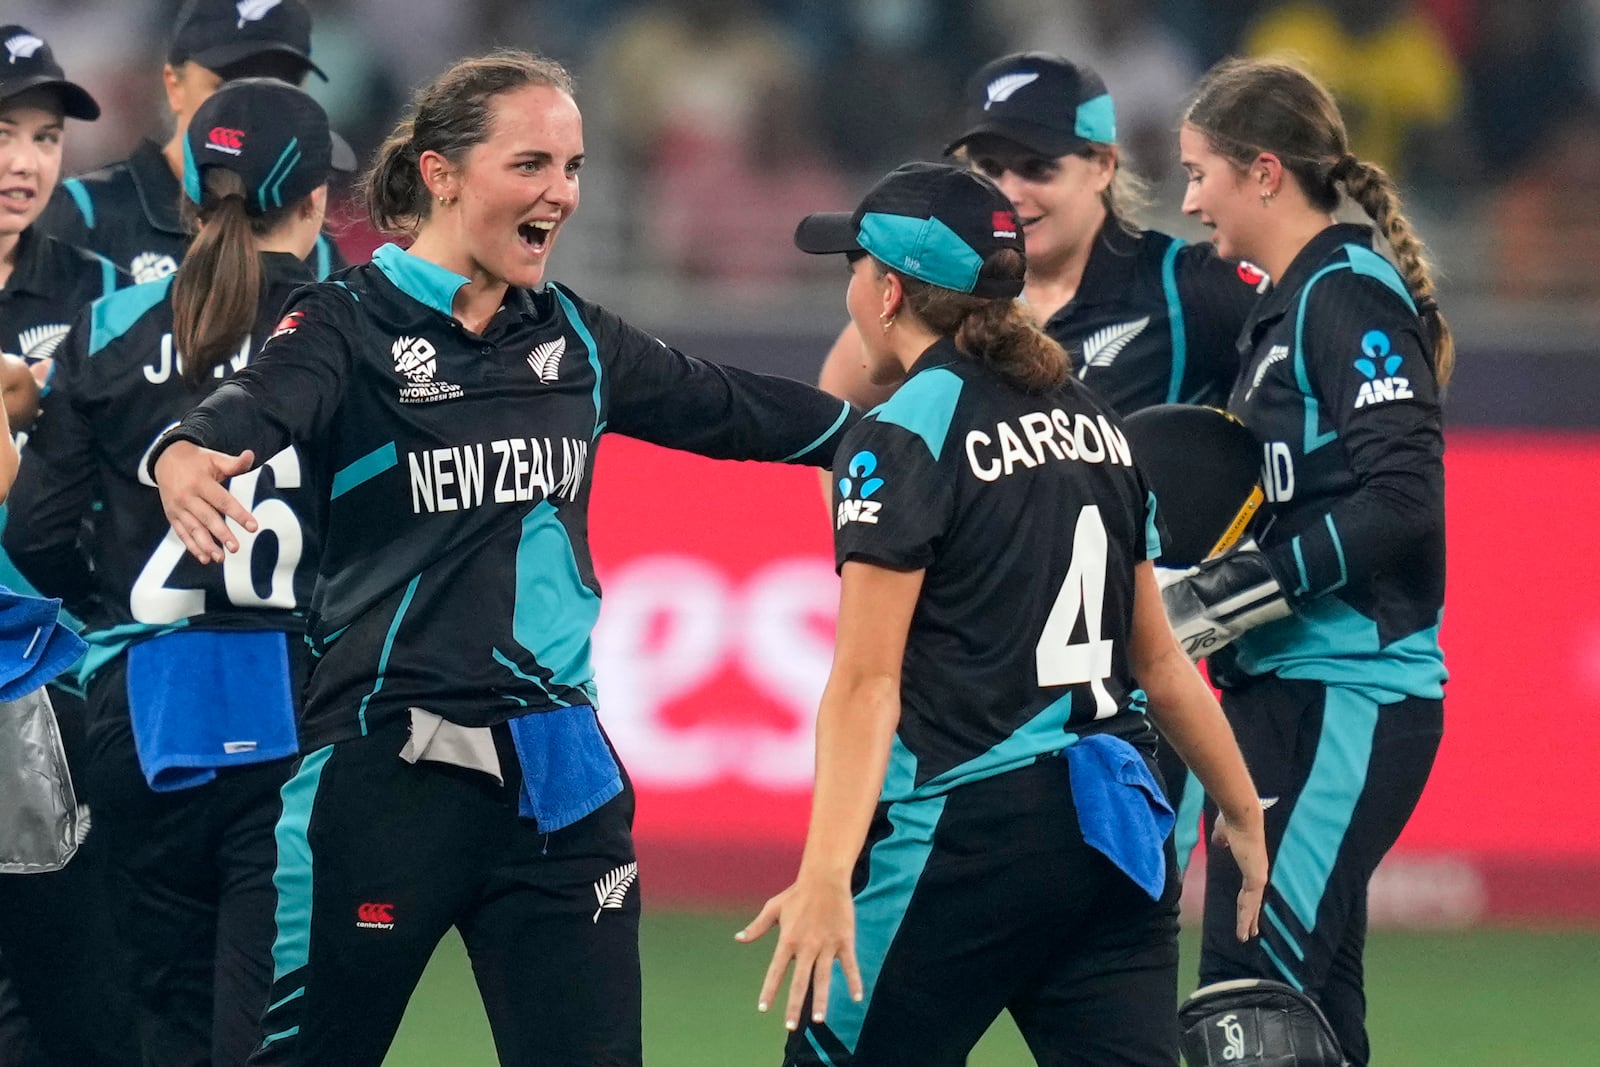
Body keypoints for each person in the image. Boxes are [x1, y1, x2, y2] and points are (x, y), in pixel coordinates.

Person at [146, 50, 857, 1067]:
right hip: (386, 772)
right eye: (531, 164)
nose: (560, 193)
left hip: (561, 779)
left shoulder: (574, 335)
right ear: (439, 173)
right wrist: (184, 451)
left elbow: (742, 409)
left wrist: (907, 432)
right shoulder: (348, 321)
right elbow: (257, 402)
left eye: (571, 168)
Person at [737, 161, 1268, 1067]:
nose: (851, 290)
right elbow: (1161, 659)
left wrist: (825, 874)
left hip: (967, 835)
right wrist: (1241, 807)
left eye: (854, 270)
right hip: (1117, 833)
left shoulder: (901, 433)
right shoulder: (1094, 418)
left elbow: (867, 685)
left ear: (891, 291)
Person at [816, 52, 1265, 873]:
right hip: (976, 692)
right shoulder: (956, 285)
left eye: (1037, 166)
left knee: (1103, 937)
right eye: (989, 166)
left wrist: (1231, 574)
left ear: (1102, 166)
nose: (1011, 189)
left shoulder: (1184, 284)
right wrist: (868, 543)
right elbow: (839, 405)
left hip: (1123, 695)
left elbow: (1315, 388)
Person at [4, 78, 352, 1067]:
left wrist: (113, 582)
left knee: (160, 1017)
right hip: (297, 713)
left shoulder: (112, 325)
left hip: (141, 711)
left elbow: (32, 542)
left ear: (191, 197)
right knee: (265, 1026)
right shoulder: (338, 326)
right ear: (320, 201)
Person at [1165, 57, 1450, 1066]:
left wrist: (1250, 586)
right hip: (1280, 699)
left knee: (1249, 1013)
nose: (1190, 197)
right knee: (1309, 1019)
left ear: (1265, 172)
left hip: (1348, 693)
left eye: (1200, 171)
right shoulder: (1280, 307)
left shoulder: (1345, 294)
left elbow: (1405, 504)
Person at [0, 26, 137, 1067]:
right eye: (3, 132)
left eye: (44, 137)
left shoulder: (95, 298)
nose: (25, 161)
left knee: (67, 1003)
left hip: (44, 691)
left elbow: (106, 512)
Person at [34, 0, 345, 283]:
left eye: (278, 87)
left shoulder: (316, 251)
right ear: (174, 87)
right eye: (228, 85)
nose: (252, 107)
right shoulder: (81, 214)